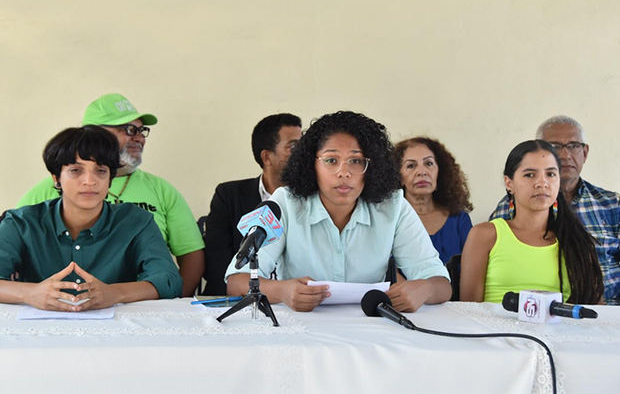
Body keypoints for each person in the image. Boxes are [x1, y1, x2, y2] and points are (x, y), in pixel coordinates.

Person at [225, 111, 451, 312]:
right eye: (331, 160)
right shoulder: (286, 202)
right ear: (311, 165)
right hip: (303, 328)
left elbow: (441, 285)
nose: (344, 172)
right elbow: (236, 281)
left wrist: (425, 289)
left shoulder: (393, 206)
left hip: (371, 330)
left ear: (371, 167)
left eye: (355, 161)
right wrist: (281, 290)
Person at [16, 94, 204, 297]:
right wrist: (31, 293)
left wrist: (172, 304)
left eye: (141, 131)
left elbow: (182, 261)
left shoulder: (154, 197)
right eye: (129, 130)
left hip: (136, 311)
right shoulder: (39, 199)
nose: (139, 137)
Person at [0, 126, 182, 311]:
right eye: (76, 170)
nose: (90, 181)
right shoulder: (20, 222)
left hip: (118, 331)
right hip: (36, 332)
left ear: (110, 178)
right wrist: (30, 293)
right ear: (56, 179)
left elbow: (169, 280)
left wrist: (115, 293)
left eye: (101, 171)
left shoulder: (136, 221)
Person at [489, 116, 620, 304]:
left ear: (585, 152)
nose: (565, 155)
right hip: (543, 311)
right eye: (555, 146)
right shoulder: (510, 208)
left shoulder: (612, 204)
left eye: (574, 145)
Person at [461, 140, 603, 304]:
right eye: (529, 175)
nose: (542, 183)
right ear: (509, 183)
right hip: (494, 330)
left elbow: (596, 312)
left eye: (550, 174)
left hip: (561, 330)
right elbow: (468, 310)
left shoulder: (577, 240)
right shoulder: (485, 235)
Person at [202, 113, 302, 295]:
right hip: (236, 302)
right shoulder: (229, 195)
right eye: (294, 146)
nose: (303, 154)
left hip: (294, 303)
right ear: (267, 157)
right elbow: (217, 264)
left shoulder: (310, 201)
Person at [394, 137, 473, 264]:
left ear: (440, 172)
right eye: (411, 166)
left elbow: (472, 269)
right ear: (399, 177)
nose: (421, 172)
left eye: (429, 163)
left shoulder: (459, 219)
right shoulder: (389, 220)